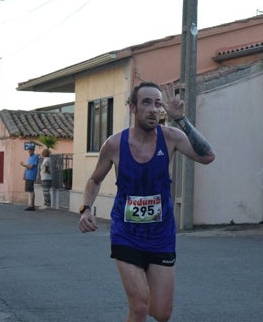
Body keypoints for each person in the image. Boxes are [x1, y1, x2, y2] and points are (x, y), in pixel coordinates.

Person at [78, 81, 215, 321]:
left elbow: (207, 156)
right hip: (126, 233)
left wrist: (181, 119)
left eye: (158, 103)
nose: (154, 109)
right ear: (133, 107)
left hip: (161, 235)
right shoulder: (113, 145)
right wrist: (86, 208)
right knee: (140, 307)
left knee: (162, 313)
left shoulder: (171, 137)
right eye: (146, 103)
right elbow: (95, 180)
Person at [20, 143, 39, 211]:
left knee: (31, 190)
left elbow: (30, 167)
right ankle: (31, 205)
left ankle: (32, 205)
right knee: (29, 190)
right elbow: (27, 166)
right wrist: (24, 174)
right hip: (28, 175)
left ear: (33, 150)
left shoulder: (35, 157)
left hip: (31, 175)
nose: (29, 151)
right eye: (29, 150)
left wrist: (23, 165)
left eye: (30, 150)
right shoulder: (29, 157)